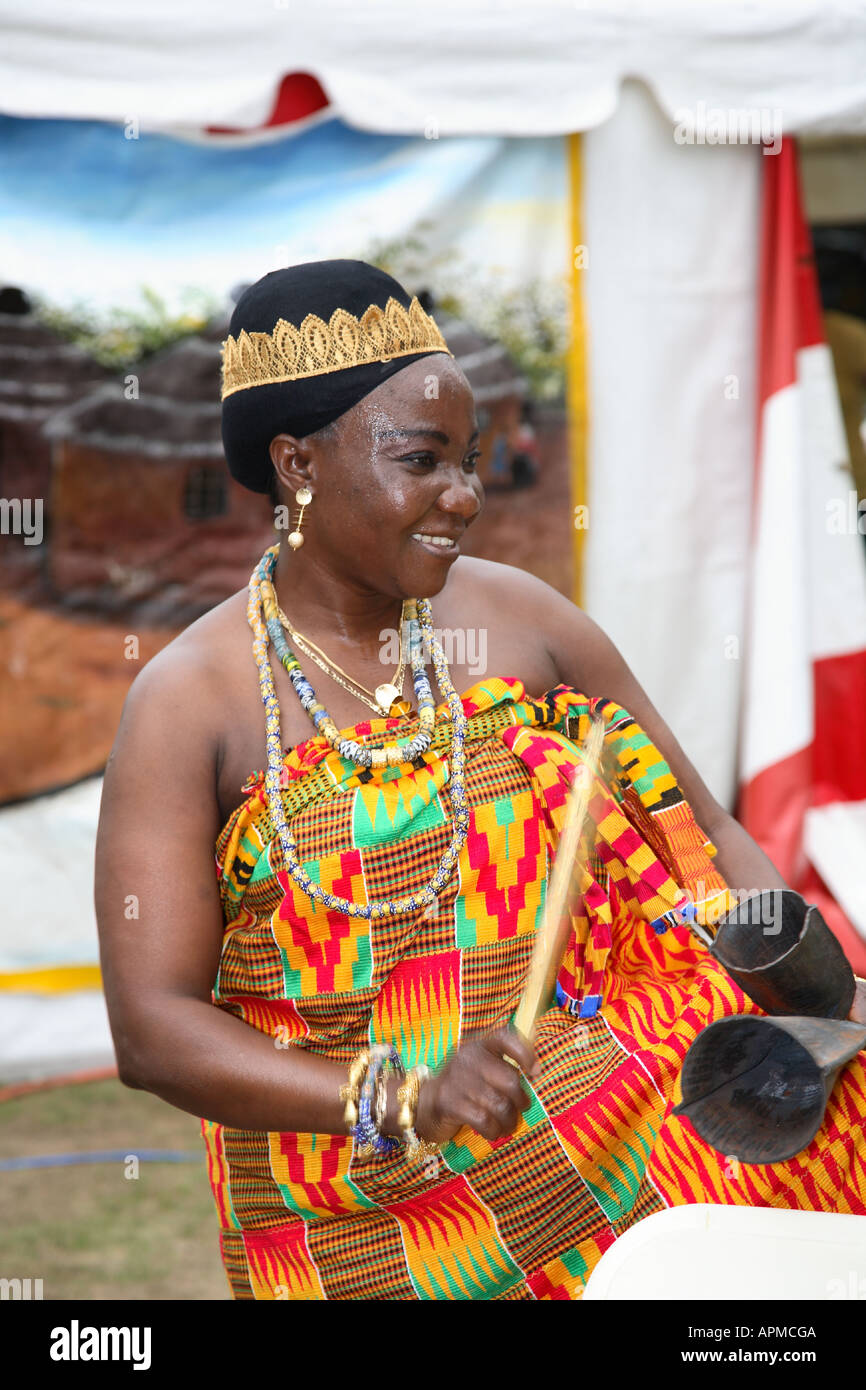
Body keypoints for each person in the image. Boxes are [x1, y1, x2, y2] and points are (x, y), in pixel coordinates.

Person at [95, 259, 866, 1301]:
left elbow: (706, 832)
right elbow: (155, 1028)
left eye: (469, 460)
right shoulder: (191, 702)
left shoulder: (525, 624)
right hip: (360, 1221)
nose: (461, 495)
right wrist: (406, 1096)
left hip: (627, 1160)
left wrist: (803, 990)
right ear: (296, 463)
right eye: (421, 461)